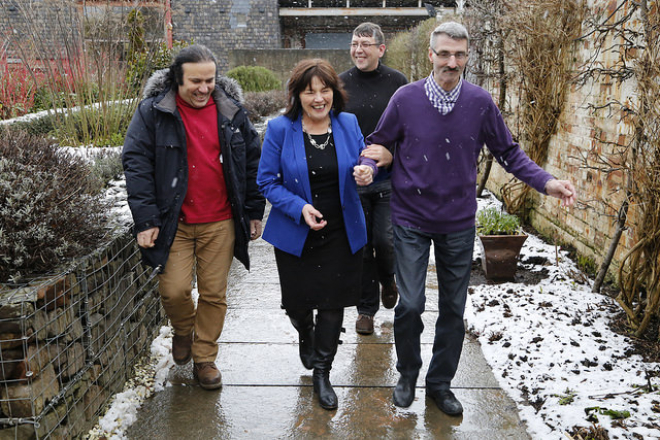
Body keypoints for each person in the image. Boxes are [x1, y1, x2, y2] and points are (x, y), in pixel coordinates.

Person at [367, 22, 577, 416]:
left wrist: (547, 183)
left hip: (458, 222)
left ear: (467, 57)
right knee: (410, 304)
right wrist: (368, 163)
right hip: (411, 217)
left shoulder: (480, 103)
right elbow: (378, 142)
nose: (451, 62)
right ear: (431, 55)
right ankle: (408, 374)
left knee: (453, 307)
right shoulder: (405, 98)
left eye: (459, 55)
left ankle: (440, 384)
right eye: (444, 53)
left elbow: (509, 153)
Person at [122, 44, 265, 390]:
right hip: (175, 223)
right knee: (174, 291)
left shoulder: (232, 112)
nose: (204, 89)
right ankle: (184, 331)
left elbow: (252, 163)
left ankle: (204, 358)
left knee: (215, 294)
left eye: (210, 81)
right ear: (177, 79)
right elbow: (136, 164)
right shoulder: (152, 113)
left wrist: (253, 211)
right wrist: (146, 219)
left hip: (220, 222)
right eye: (195, 82)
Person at [257, 58, 376, 410]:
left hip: (342, 229)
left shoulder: (348, 122)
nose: (318, 98)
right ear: (297, 95)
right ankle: (305, 333)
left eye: (324, 90)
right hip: (296, 231)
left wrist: (366, 171)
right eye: (310, 92)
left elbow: (364, 158)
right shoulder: (281, 129)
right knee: (297, 304)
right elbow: (266, 181)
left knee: (332, 303)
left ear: (333, 93)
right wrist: (299, 208)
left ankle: (322, 372)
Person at [339, 22, 409, 336]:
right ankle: (365, 310)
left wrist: (391, 155)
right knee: (362, 246)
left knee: (386, 240)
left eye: (366, 44)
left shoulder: (397, 82)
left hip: (388, 180)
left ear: (381, 49)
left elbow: (409, 130)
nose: (358, 50)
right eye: (355, 43)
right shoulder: (339, 84)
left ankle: (388, 279)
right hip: (352, 181)